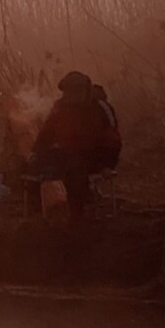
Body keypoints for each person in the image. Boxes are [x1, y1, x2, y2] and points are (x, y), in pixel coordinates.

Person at [30, 71, 109, 220]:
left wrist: (106, 164)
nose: (72, 97)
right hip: (69, 155)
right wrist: (36, 151)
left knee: (75, 170)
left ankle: (77, 215)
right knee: (37, 165)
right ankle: (42, 213)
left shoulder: (97, 109)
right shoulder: (61, 107)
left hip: (96, 156)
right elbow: (48, 132)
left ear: (86, 91)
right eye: (69, 93)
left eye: (77, 92)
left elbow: (109, 140)